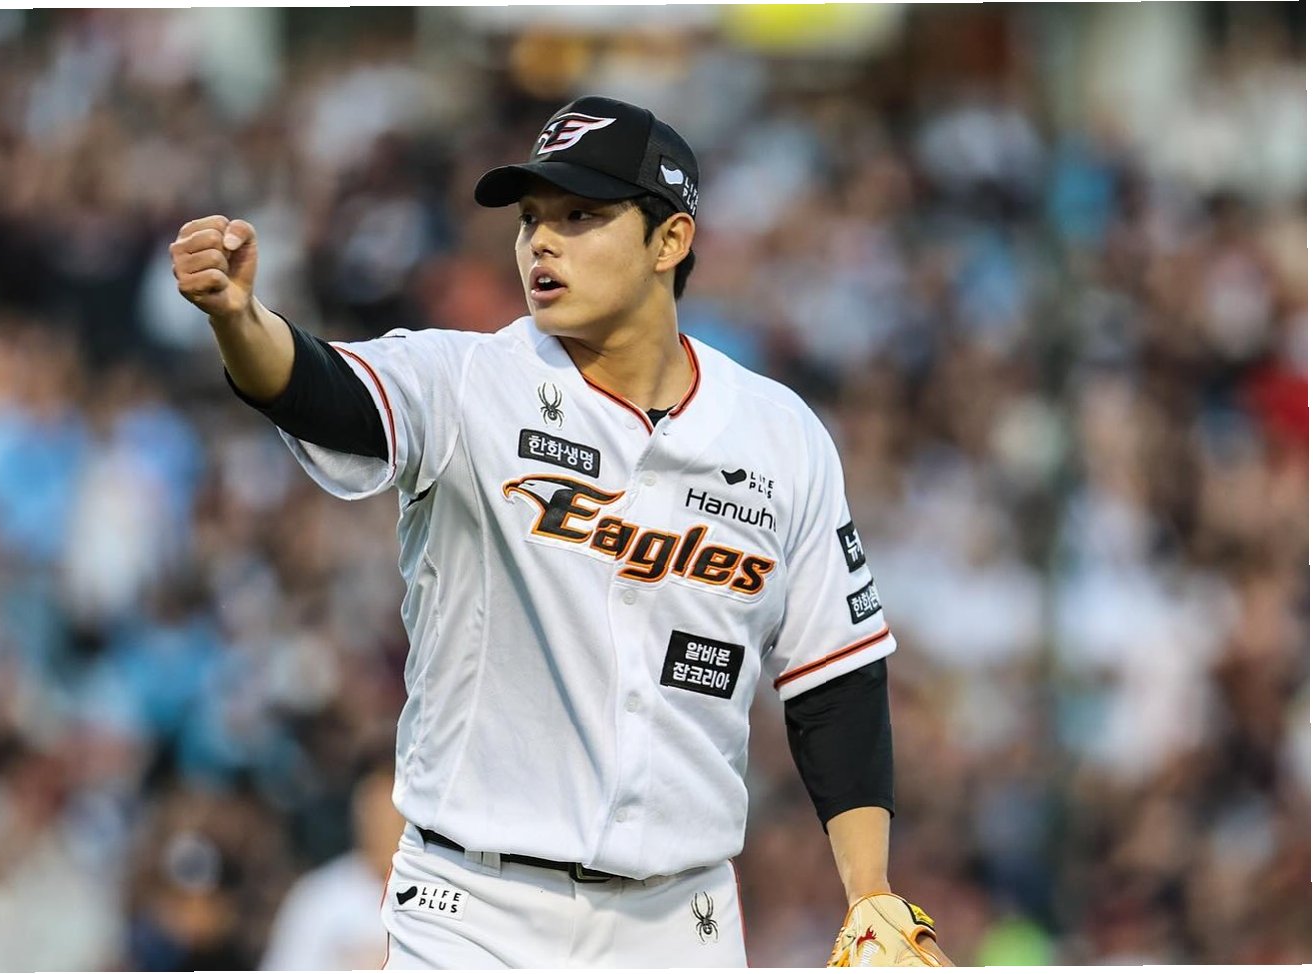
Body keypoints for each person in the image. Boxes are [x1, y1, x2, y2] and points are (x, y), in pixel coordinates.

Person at [172, 95, 950, 968]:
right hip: (472, 911)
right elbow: (320, 389)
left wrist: (869, 893)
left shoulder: (779, 435)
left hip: (679, 921)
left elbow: (834, 678)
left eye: (580, 216)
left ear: (669, 240)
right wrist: (238, 319)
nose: (542, 241)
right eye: (531, 218)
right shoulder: (468, 382)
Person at [260, 736, 403, 971]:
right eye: (370, 811)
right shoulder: (320, 896)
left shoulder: (442, 893)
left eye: (389, 815)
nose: (379, 826)